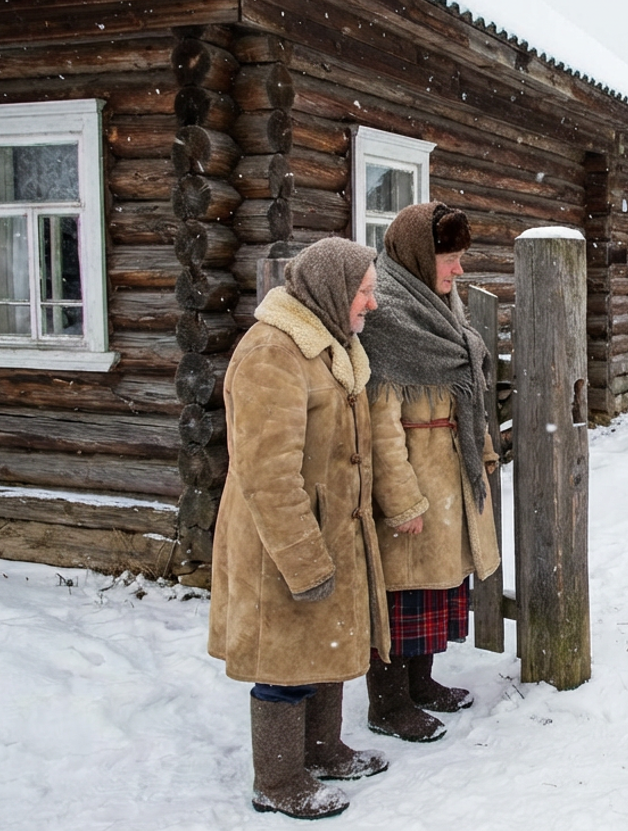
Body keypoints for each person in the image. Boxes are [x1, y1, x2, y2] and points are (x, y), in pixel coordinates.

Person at [207, 237, 392, 820]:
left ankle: (324, 750)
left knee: (325, 644)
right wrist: (303, 555)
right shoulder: (272, 352)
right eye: (365, 291)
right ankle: (279, 779)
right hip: (280, 540)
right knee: (283, 662)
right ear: (334, 291)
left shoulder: (329, 346)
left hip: (328, 527)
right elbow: (265, 473)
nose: (374, 303)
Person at [358, 202, 500, 743]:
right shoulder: (387, 318)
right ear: (420, 255)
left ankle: (422, 686)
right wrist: (402, 500)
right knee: (400, 595)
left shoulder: (439, 305)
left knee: (434, 589)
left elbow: (467, 394)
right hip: (414, 475)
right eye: (450, 258)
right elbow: (379, 427)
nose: (458, 270)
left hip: (447, 469)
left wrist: (481, 451)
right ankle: (388, 705)